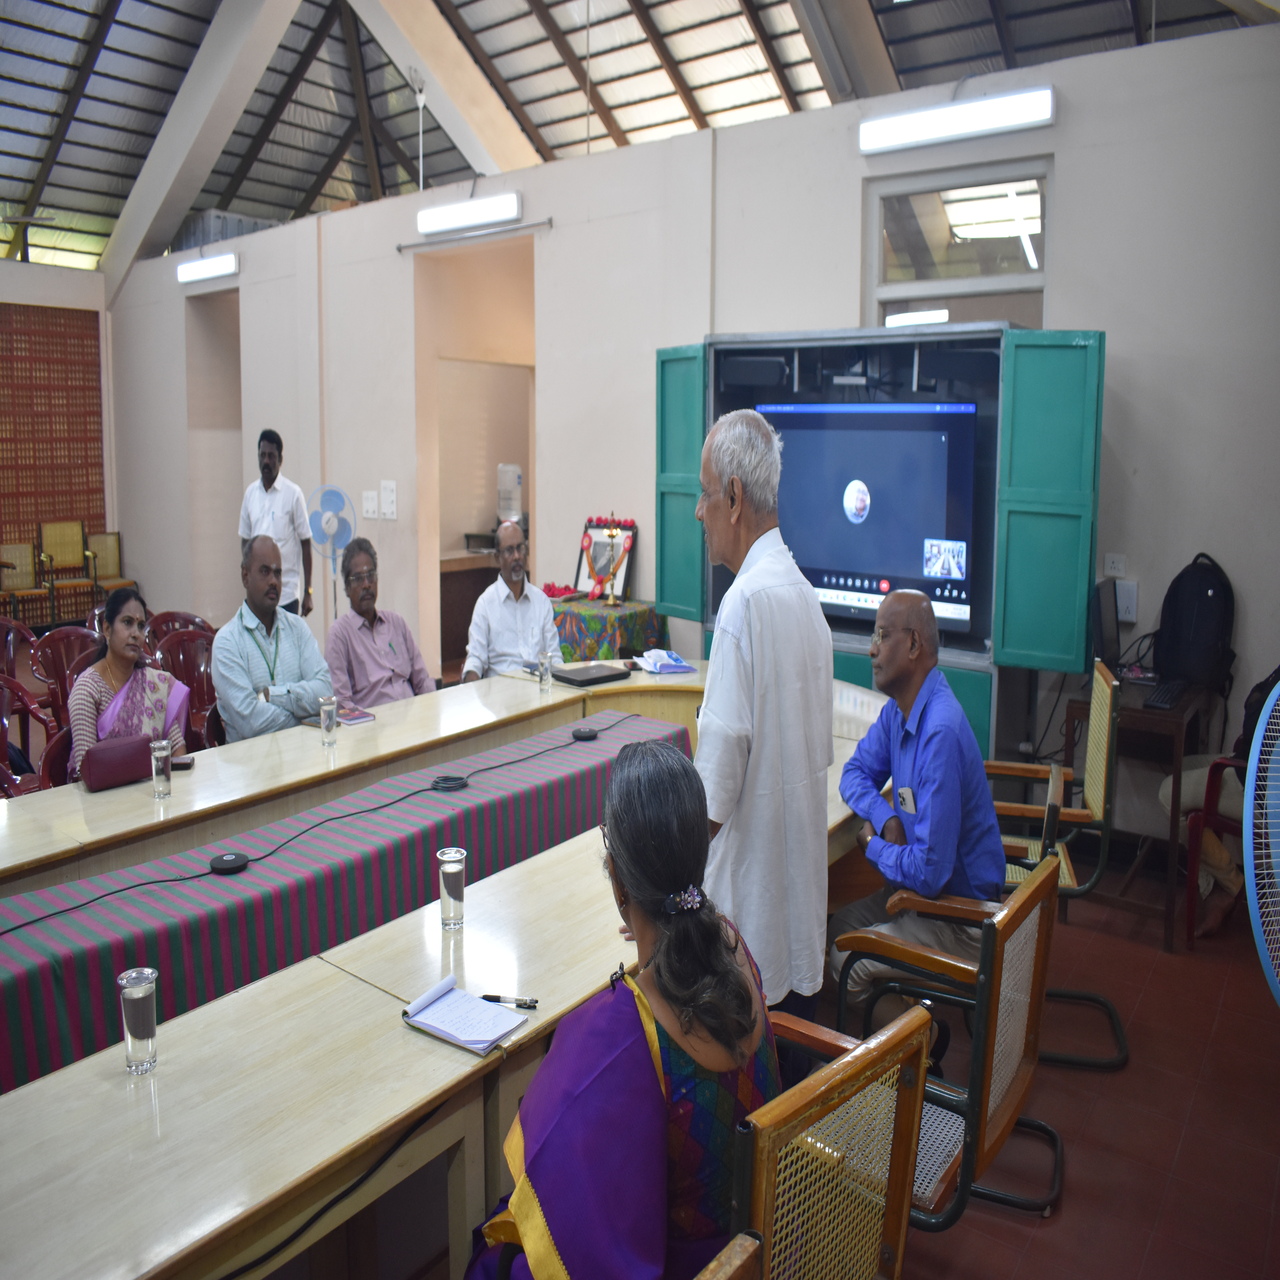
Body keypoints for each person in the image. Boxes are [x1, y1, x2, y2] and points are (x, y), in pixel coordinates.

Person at [464, 740, 781, 1280]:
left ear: (617, 880)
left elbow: (572, 1197)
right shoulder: (735, 952)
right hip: (759, 1248)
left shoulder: (619, 1030)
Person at [694, 409, 834, 1033]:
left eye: (704, 494)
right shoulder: (807, 600)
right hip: (796, 923)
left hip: (743, 937)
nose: (697, 513)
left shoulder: (742, 605)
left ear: (733, 497)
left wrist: (659, 895)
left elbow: (712, 799)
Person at [827, 590, 1006, 1029]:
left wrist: (870, 844)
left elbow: (929, 871)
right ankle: (907, 1018)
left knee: (844, 961)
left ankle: (921, 1043)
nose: (871, 648)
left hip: (959, 917)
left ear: (913, 645)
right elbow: (854, 773)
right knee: (833, 929)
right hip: (922, 899)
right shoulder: (899, 713)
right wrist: (885, 816)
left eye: (882, 635)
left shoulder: (938, 732)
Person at [211, 536, 332, 742]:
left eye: (278, 573)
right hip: (251, 766)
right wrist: (305, 718)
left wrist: (271, 695)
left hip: (302, 758)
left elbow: (326, 692)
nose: (274, 581)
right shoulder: (227, 642)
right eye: (265, 571)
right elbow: (250, 723)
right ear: (245, 575)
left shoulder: (297, 628)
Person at [67, 587, 189, 779]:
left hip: (153, 792)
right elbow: (86, 769)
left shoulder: (152, 684)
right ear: (107, 629)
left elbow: (176, 748)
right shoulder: (87, 689)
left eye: (141, 626)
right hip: (103, 796)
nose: (136, 634)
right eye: (127, 623)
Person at [325, 537, 434, 708]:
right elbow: (342, 702)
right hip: (373, 728)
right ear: (347, 588)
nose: (367, 584)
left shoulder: (397, 624)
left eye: (371, 575)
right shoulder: (340, 635)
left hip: (414, 721)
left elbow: (422, 681)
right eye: (358, 578)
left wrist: (432, 709)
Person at [461, 521, 560, 682]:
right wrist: (471, 692)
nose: (517, 556)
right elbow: (475, 659)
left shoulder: (541, 601)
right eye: (509, 550)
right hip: (500, 698)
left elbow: (554, 657)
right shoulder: (486, 604)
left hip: (539, 694)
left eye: (520, 548)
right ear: (497, 557)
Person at [238, 429, 313, 616]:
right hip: (257, 595)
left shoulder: (293, 494)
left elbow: (306, 543)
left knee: (285, 645)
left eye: (271, 456)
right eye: (262, 455)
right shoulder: (250, 494)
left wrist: (308, 592)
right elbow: (245, 540)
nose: (266, 461)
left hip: (286, 594)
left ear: (280, 459)